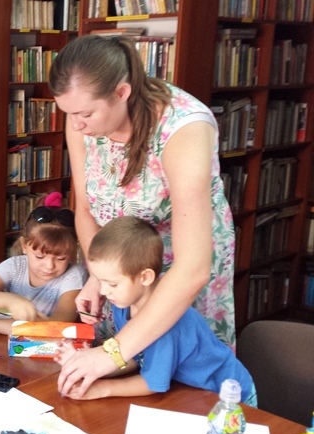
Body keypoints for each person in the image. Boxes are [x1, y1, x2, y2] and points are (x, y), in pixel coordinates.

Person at [48, 34, 236, 397]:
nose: (76, 124)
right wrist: (100, 277)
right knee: (118, 388)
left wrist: (112, 353)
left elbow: (193, 268)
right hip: (119, 272)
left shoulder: (184, 128)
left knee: (180, 385)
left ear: (122, 92)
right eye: (68, 113)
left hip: (179, 276)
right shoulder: (81, 119)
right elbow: (84, 208)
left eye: (85, 114)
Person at [54, 217, 255, 406]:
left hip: (229, 397)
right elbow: (136, 357)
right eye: (99, 280)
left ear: (145, 277)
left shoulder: (165, 324)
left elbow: (152, 383)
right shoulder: (124, 302)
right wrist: (89, 367)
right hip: (189, 392)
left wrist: (101, 388)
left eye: (112, 284)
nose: (104, 292)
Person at [0, 193, 85, 334]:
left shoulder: (74, 276)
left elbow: (57, 328)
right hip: (14, 338)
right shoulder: (16, 266)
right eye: (39, 256)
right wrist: (12, 301)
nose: (49, 266)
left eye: (61, 258)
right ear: (24, 246)